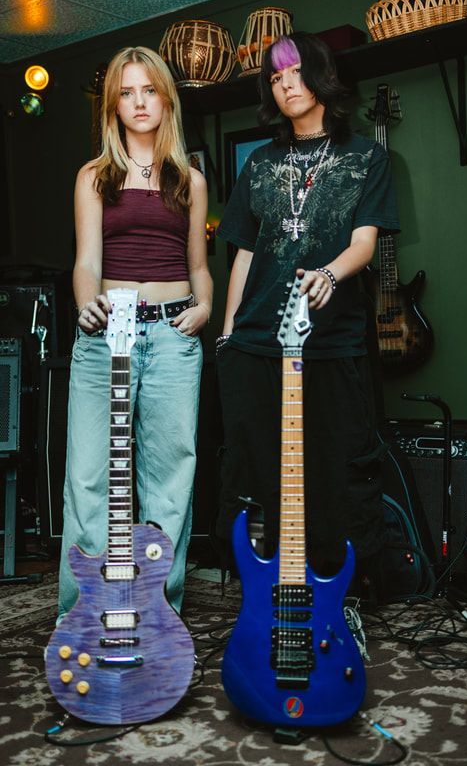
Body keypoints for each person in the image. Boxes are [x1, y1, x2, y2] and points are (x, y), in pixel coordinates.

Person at [215, 32, 399, 589]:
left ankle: (338, 594)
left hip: (331, 340)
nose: (286, 83)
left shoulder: (366, 156)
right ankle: (265, 592)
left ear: (320, 76)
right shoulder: (260, 164)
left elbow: (364, 244)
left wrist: (327, 275)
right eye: (275, 76)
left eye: (293, 71)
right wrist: (227, 336)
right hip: (256, 342)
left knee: (336, 471)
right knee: (259, 472)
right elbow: (243, 255)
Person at [57, 45, 212, 621]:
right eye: (127, 92)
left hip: (173, 334)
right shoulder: (94, 177)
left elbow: (198, 265)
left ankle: (157, 615)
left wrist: (205, 308)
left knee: (170, 480)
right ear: (113, 106)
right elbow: (86, 262)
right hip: (106, 336)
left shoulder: (190, 179)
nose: (139, 101)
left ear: (165, 97)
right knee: (90, 478)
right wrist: (85, 305)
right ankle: (81, 615)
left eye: (149, 90)